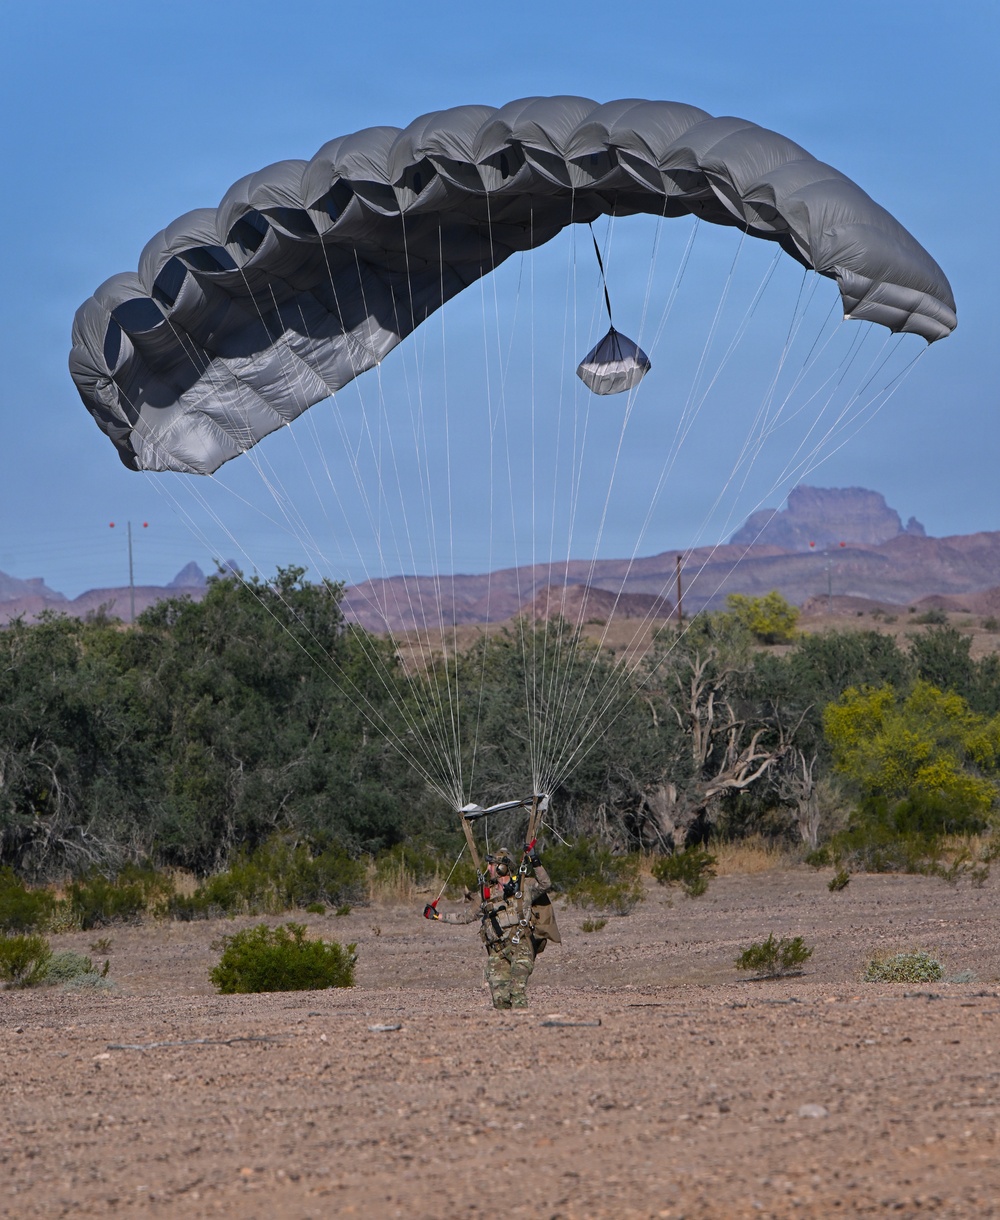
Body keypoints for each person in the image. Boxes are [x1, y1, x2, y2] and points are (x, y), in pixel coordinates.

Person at [424, 843, 560, 1009]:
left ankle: (524, 1028)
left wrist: (534, 859)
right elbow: (466, 916)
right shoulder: (486, 893)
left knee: (517, 992)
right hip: (497, 950)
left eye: (492, 865)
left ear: (503, 867)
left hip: (521, 945)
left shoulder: (525, 886)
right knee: (500, 999)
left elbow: (545, 883)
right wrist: (437, 916)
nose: (488, 869)